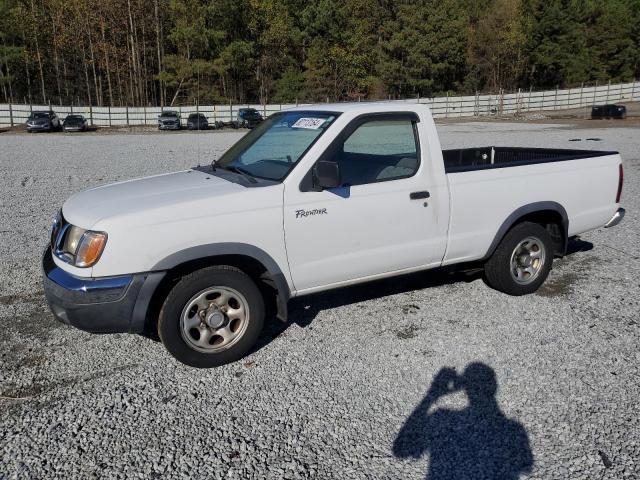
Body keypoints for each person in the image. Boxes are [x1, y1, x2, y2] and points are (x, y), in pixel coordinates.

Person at [393, 363, 533, 480]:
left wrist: (432, 395)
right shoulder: (513, 429)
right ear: (494, 387)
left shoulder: (440, 418)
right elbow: (525, 467)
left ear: (464, 388)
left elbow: (401, 450)